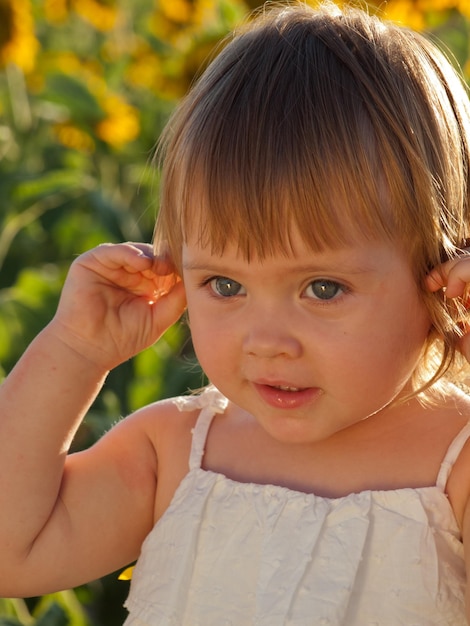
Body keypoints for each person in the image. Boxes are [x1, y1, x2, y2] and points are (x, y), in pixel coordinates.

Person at [2, 1, 470, 623]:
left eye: (322, 289)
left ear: (444, 274)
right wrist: (75, 352)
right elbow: (14, 551)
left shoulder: (454, 465)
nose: (265, 341)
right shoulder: (177, 450)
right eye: (225, 284)